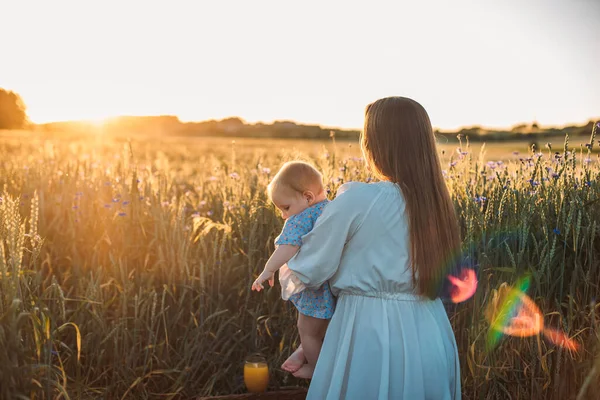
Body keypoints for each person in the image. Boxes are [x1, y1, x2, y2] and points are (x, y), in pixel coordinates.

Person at [284, 96, 462, 399]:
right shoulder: (438, 204)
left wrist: (310, 340)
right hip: (430, 333)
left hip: (368, 334)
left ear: (373, 145)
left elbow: (309, 269)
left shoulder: (359, 200)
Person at [251, 161, 335, 379]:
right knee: (322, 330)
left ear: (307, 197)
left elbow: (288, 247)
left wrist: (267, 270)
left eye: (285, 208)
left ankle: (318, 371)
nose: (283, 215)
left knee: (306, 330)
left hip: (313, 289)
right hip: (335, 285)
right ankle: (302, 352)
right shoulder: (333, 209)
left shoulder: (300, 219)